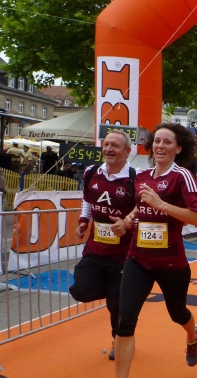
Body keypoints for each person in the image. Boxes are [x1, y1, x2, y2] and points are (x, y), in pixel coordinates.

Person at [95, 123, 197, 378]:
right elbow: (140, 207)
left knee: (177, 313)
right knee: (124, 320)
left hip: (171, 263)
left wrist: (162, 204)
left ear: (178, 148)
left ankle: (192, 335)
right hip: (138, 259)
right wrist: (128, 221)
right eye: (157, 141)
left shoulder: (182, 176)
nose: (160, 146)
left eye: (167, 142)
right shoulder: (142, 176)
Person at [69, 131, 136, 362]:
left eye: (115, 146)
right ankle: (116, 293)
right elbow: (87, 200)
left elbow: (143, 209)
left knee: (117, 305)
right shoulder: (91, 172)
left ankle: (118, 338)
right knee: (80, 290)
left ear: (127, 151)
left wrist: (127, 223)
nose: (108, 149)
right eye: (106, 144)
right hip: (96, 249)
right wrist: (83, 222)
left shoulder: (135, 178)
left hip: (123, 255)